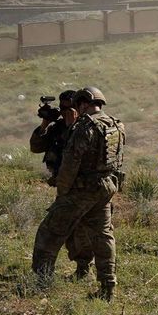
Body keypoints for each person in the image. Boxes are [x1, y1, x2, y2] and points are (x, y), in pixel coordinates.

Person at [32, 87, 125, 301]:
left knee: (49, 233)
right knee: (103, 237)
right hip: (105, 188)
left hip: (81, 190)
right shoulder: (115, 125)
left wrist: (63, 192)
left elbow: (70, 164)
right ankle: (108, 287)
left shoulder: (84, 126)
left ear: (83, 103)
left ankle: (41, 283)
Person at [29, 91, 95, 278]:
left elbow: (76, 154)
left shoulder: (85, 128)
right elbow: (35, 147)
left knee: (79, 231)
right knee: (71, 231)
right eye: (63, 108)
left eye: (70, 108)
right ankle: (50, 273)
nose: (66, 112)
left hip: (80, 188)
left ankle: (82, 269)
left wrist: (72, 126)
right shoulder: (59, 127)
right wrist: (45, 123)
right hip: (66, 187)